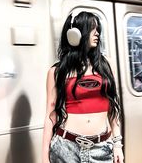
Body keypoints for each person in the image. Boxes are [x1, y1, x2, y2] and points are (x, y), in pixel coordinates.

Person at [42, 11, 124, 163]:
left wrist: (117, 144)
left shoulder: (106, 66)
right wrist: (44, 156)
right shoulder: (57, 71)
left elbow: (113, 106)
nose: (97, 33)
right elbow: (50, 116)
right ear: (75, 34)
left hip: (101, 148)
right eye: (92, 28)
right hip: (65, 147)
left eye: (98, 29)